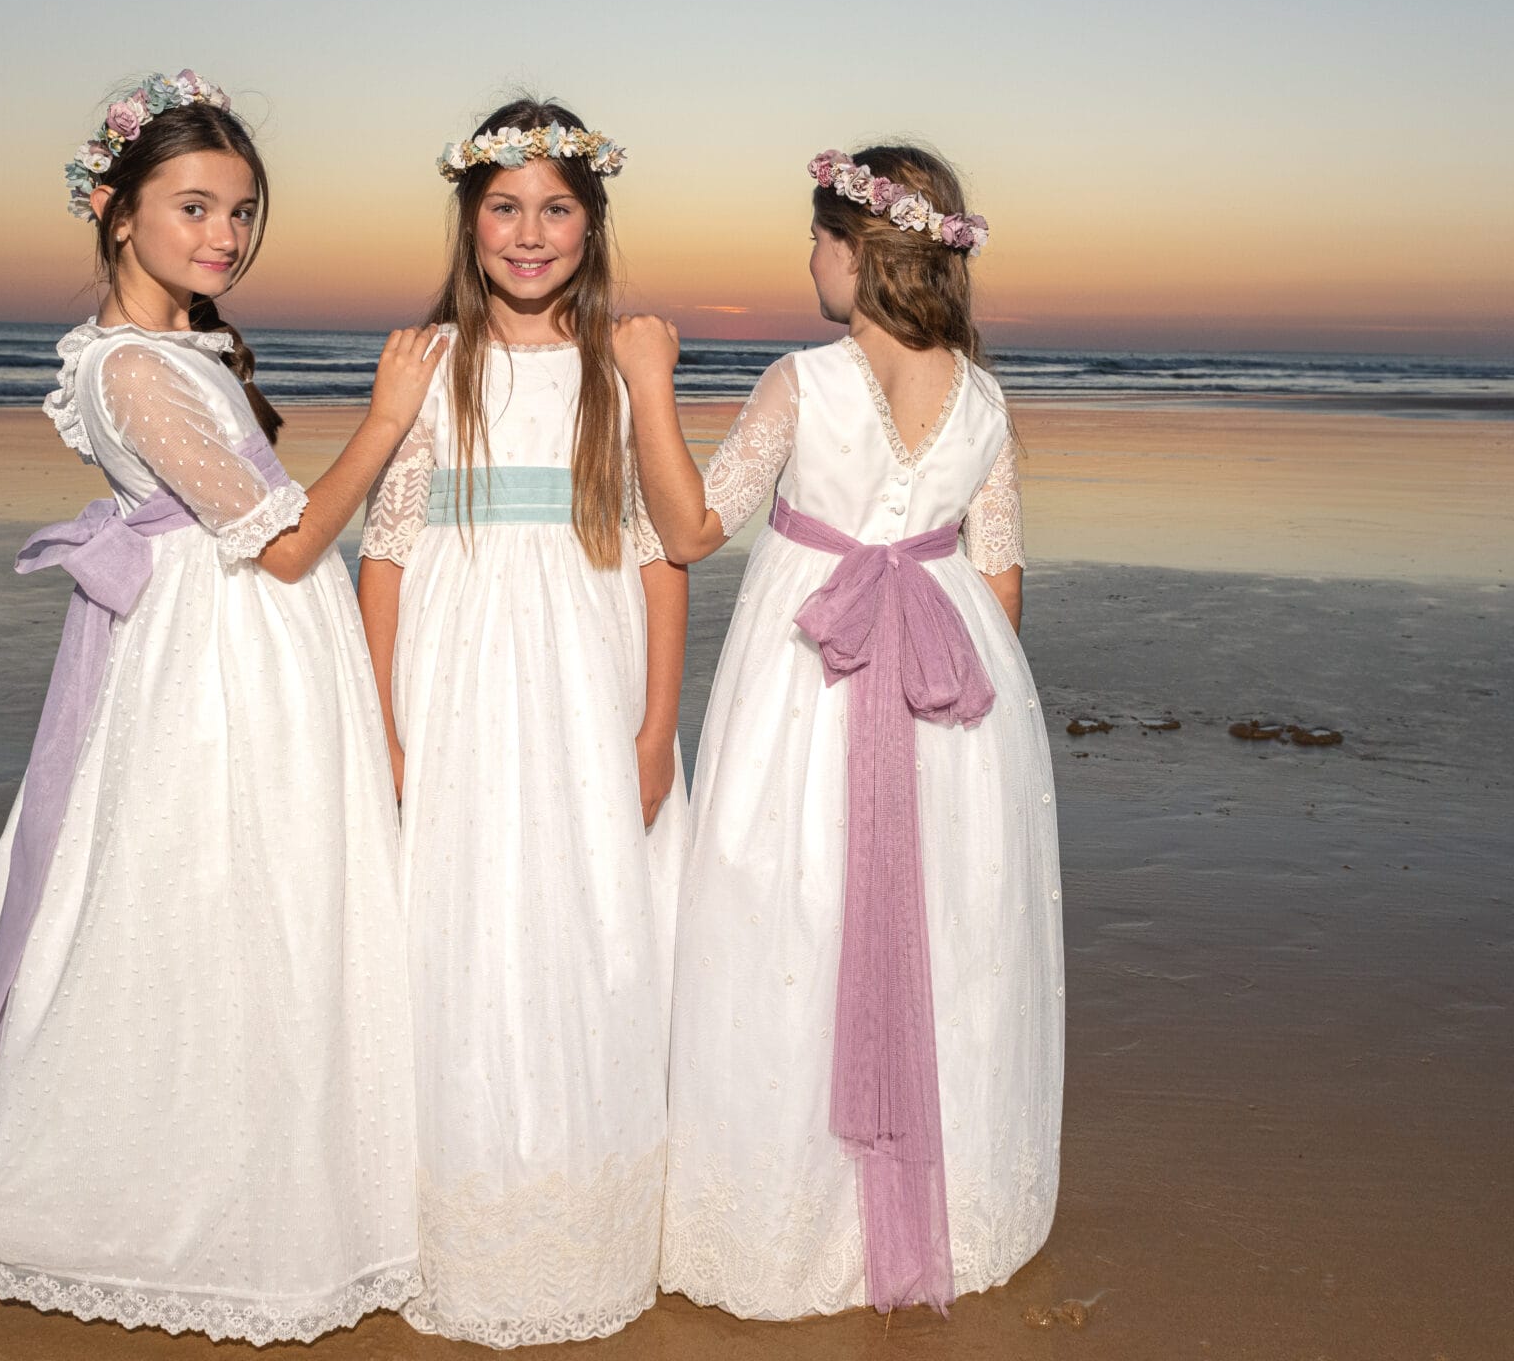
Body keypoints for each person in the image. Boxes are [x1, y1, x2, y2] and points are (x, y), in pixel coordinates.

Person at [0, 70, 445, 1343]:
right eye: (193, 207)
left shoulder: (182, 353)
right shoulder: (129, 368)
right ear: (115, 211)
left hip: (253, 653)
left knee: (226, 919)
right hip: (213, 671)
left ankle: (244, 1169)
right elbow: (282, 545)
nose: (225, 235)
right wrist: (385, 421)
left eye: (242, 211)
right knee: (165, 917)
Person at [617, 143, 1062, 1317]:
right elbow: (999, 578)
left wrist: (648, 386)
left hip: (808, 678)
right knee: (945, 924)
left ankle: (792, 1217)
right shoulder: (982, 397)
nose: (806, 258)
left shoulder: (802, 381)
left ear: (856, 252)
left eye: (815, 238)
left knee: (790, 903)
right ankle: (951, 1210)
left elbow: (690, 527)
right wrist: (950, 700)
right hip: (953, 692)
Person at [356, 98, 688, 1346]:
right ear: (468, 219)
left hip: (585, 678)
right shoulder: (427, 363)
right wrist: (382, 723)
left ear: (591, 225)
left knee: (585, 915)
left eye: (555, 208)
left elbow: (661, 558)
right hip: (452, 676)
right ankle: (456, 1202)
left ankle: (583, 1204)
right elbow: (384, 557)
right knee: (459, 914)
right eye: (504, 207)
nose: (529, 232)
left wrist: (654, 728)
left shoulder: (617, 367)